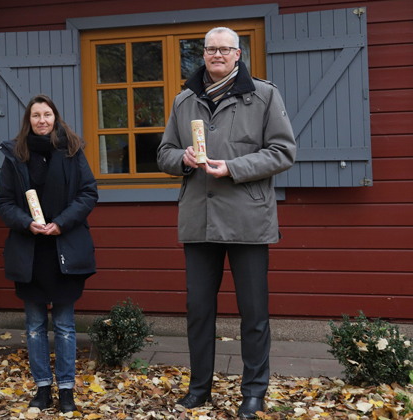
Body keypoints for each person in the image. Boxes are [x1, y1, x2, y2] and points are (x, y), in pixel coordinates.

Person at [156, 27, 296, 419]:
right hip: (199, 221)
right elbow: (164, 153)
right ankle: (199, 388)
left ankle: (254, 392)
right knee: (198, 310)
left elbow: (284, 152)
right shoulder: (184, 101)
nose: (217, 55)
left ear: (238, 54)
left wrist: (233, 167)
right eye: (210, 49)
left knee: (253, 313)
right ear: (203, 55)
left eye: (225, 49)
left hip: (248, 221)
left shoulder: (265, 95)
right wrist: (180, 160)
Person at [0, 94, 98, 413]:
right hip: (30, 253)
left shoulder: (72, 150)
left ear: (55, 117)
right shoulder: (16, 154)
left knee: (65, 326)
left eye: (47, 114)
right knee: (35, 326)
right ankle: (42, 389)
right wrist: (27, 223)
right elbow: (4, 202)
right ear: (29, 120)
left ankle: (66, 389)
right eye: (36, 115)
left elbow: (88, 193)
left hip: (64, 249)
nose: (42, 120)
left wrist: (61, 224)